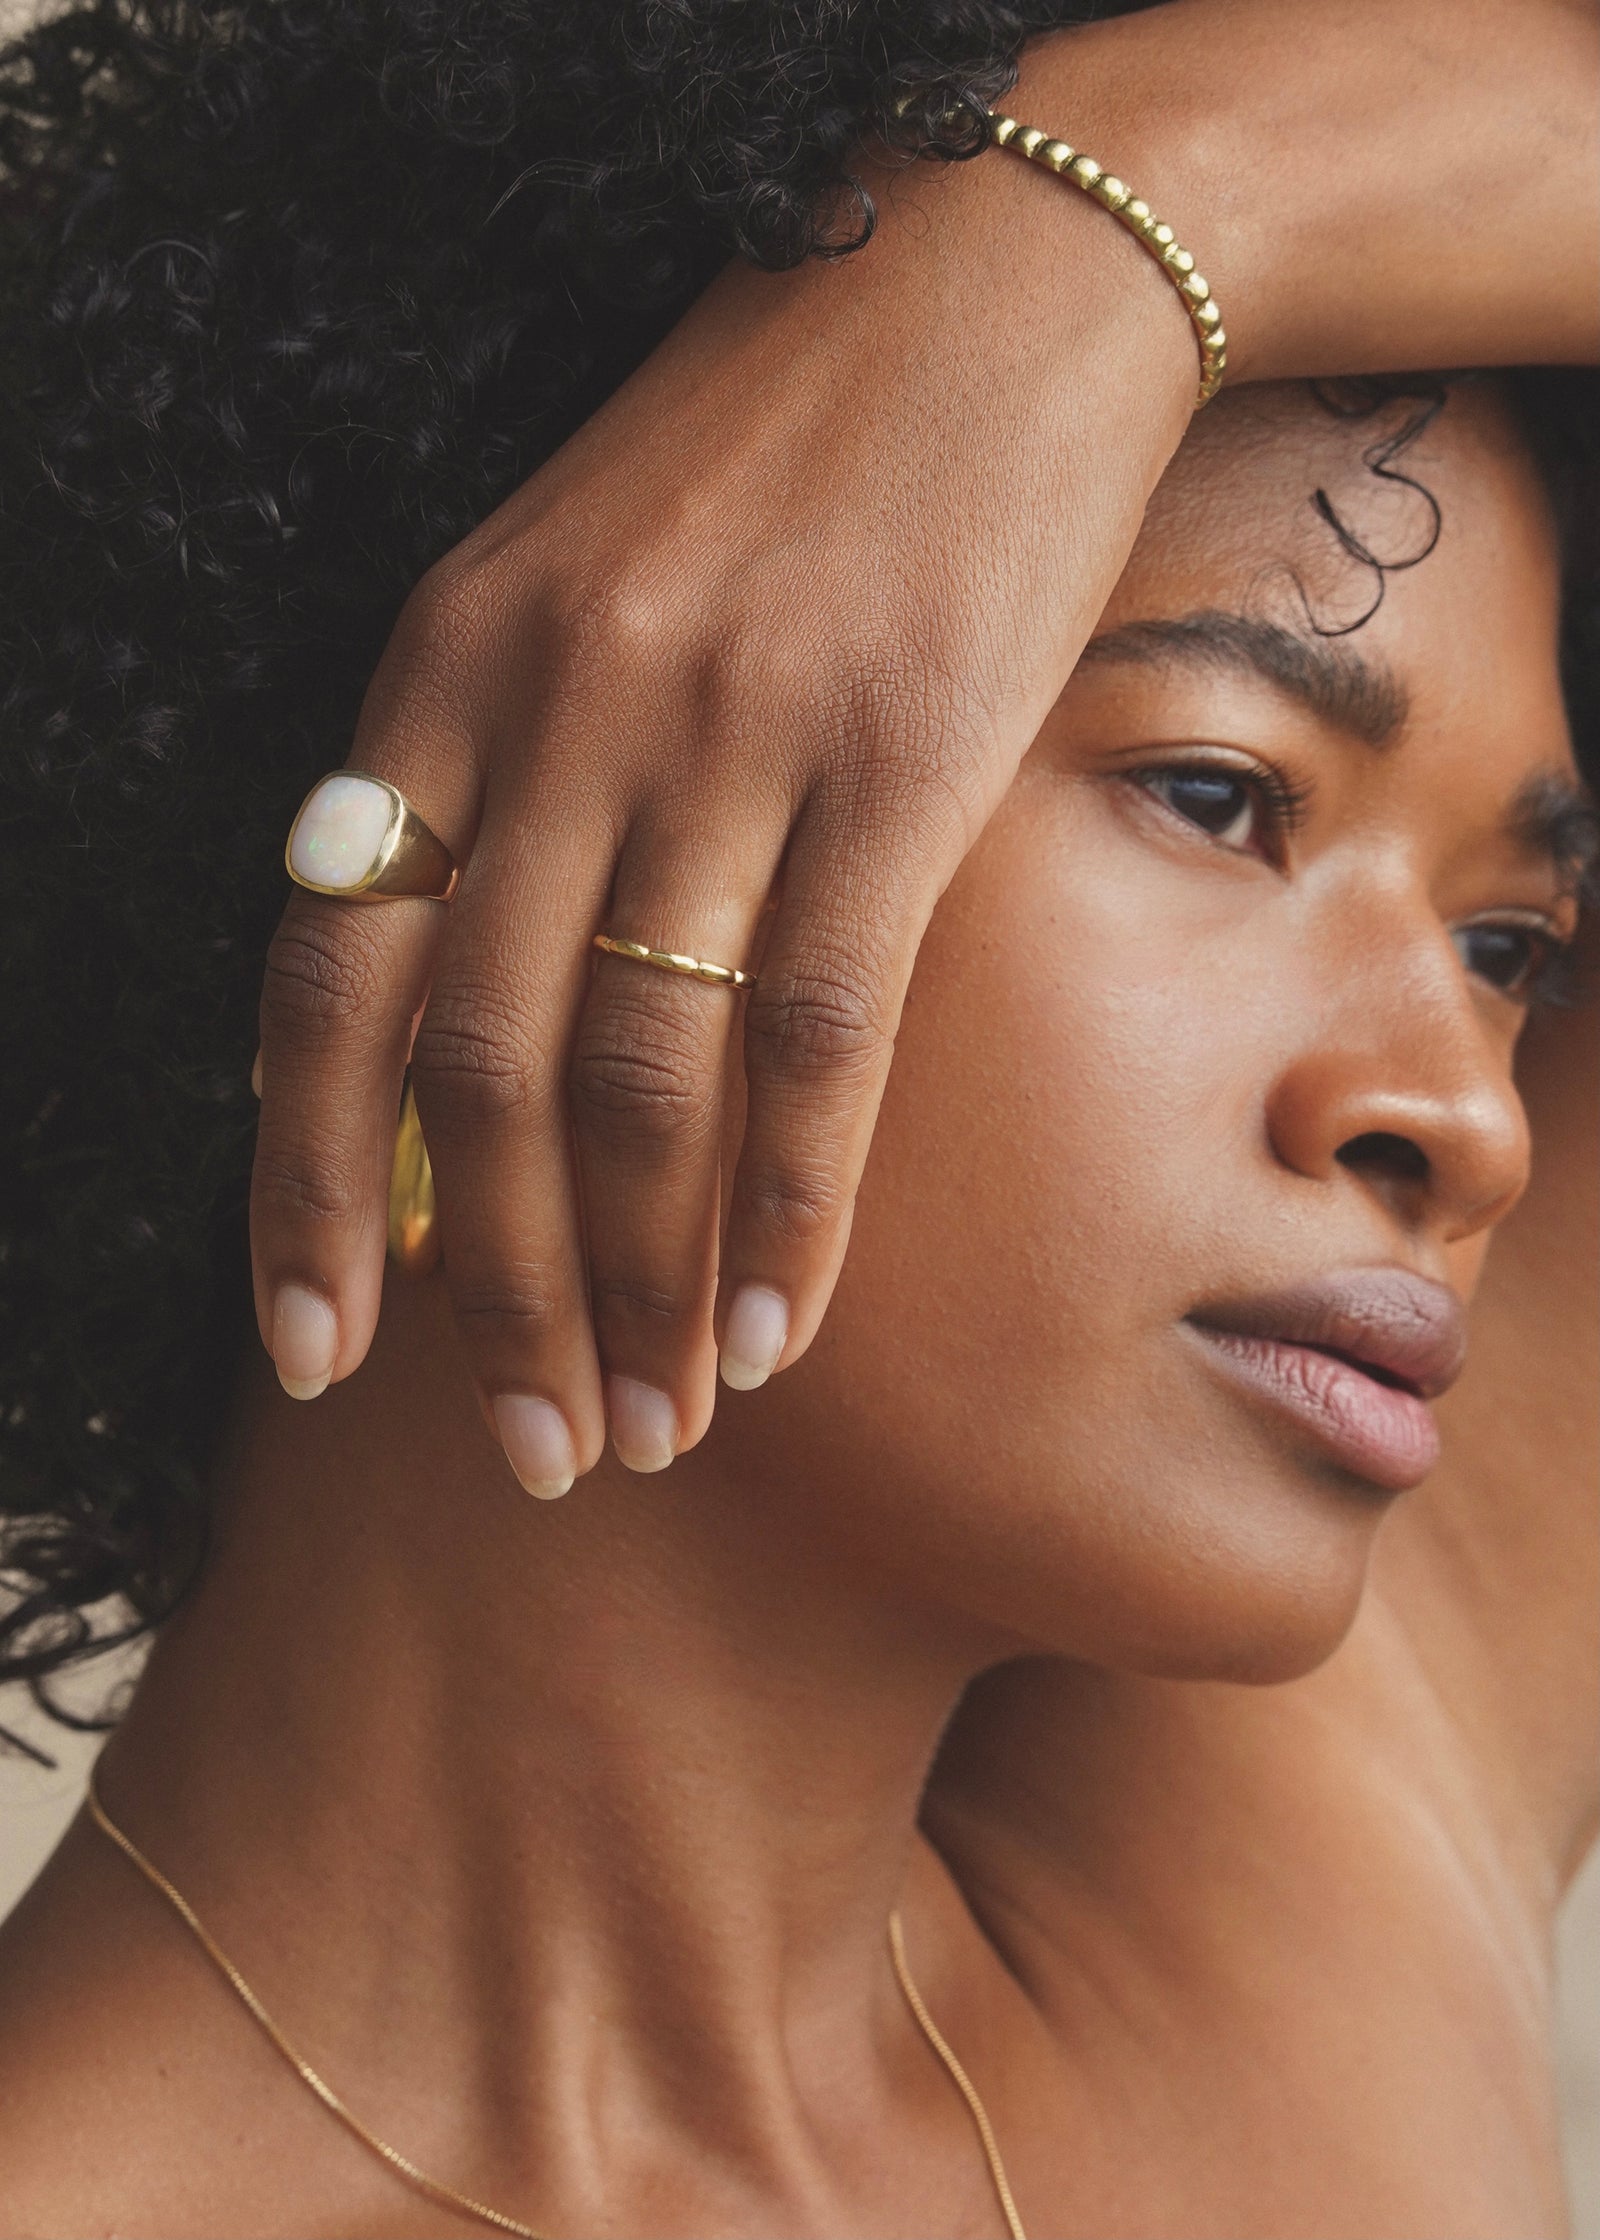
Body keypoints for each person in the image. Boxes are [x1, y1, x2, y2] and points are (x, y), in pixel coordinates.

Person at [0, 2, 1595, 2235]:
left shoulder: (1308, 1889)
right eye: (1220, 797)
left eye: (1508, 946)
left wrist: (1092, 218)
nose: (1462, 1118)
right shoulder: (1295, 1915)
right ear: (514, 794)